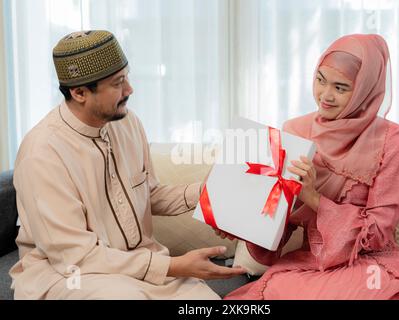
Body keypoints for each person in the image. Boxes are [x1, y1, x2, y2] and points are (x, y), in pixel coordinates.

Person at [9, 30, 246, 300]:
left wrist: (206, 192)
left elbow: (148, 194)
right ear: (79, 92)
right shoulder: (42, 154)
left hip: (139, 265)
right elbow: (75, 256)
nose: (130, 89)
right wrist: (174, 266)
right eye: (118, 82)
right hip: (69, 276)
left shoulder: (127, 123)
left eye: (127, 77)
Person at [221, 34, 399, 300]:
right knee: (275, 292)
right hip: (313, 263)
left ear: (365, 89)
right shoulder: (295, 131)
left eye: (341, 88)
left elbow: (379, 232)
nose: (325, 96)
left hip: (366, 262)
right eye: (320, 80)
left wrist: (314, 199)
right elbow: (277, 223)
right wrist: (242, 222)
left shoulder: (388, 138)